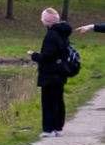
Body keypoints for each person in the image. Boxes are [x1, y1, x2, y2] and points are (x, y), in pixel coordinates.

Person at [28, 7, 97, 136]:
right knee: (58, 100)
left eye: (43, 18)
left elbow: (47, 56)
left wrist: (34, 56)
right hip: (61, 72)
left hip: (50, 73)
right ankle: (58, 128)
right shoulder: (63, 33)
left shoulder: (51, 35)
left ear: (47, 21)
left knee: (48, 101)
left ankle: (48, 130)